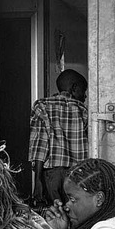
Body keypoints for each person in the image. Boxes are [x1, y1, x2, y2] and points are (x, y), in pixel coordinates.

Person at [29, 69, 89, 206]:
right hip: (78, 174)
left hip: (52, 174)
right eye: (83, 91)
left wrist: (37, 181)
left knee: (56, 213)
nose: (84, 96)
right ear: (74, 88)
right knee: (76, 214)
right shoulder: (83, 111)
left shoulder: (42, 107)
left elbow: (40, 145)